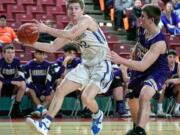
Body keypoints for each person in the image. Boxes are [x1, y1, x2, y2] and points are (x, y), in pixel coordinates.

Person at [25, 0, 113, 135]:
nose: (73, 11)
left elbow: (72, 35)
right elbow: (53, 47)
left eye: (76, 8)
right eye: (70, 8)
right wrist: (30, 43)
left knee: (86, 98)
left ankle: (97, 114)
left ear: (82, 11)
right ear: (67, 11)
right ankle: (45, 123)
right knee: (60, 90)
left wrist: (47, 29)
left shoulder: (86, 20)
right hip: (86, 65)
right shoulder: (69, 27)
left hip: (102, 64)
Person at [108, 4, 169, 135]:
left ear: (151, 20)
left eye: (143, 16)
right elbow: (138, 46)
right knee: (132, 98)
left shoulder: (159, 42)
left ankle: (140, 130)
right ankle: (136, 127)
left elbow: (143, 65)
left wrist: (121, 61)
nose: (140, 18)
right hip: (142, 68)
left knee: (145, 94)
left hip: (157, 71)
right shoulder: (142, 29)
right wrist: (130, 59)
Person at [24, 49, 53, 117]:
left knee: (52, 92)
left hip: (44, 86)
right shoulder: (28, 65)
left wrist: (47, 93)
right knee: (29, 90)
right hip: (33, 87)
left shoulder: (48, 65)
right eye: (40, 54)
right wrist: (39, 94)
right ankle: (42, 110)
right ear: (35, 54)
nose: (42, 56)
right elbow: (29, 82)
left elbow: (49, 81)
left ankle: (39, 111)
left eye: (43, 54)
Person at [0, 45, 26, 118]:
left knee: (23, 84)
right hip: (3, 85)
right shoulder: (0, 62)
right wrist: (10, 81)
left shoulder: (17, 61)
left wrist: (15, 81)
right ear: (3, 54)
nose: (11, 55)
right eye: (8, 52)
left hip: (12, 86)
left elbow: (22, 76)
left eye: (13, 52)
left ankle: (16, 107)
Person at [157, 49, 180, 117]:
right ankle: (159, 110)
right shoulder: (162, 65)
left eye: (174, 57)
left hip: (171, 88)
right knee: (163, 85)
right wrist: (172, 80)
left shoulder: (178, 65)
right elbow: (161, 80)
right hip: (160, 88)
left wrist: (169, 81)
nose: (172, 59)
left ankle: (176, 110)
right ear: (166, 58)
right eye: (170, 57)